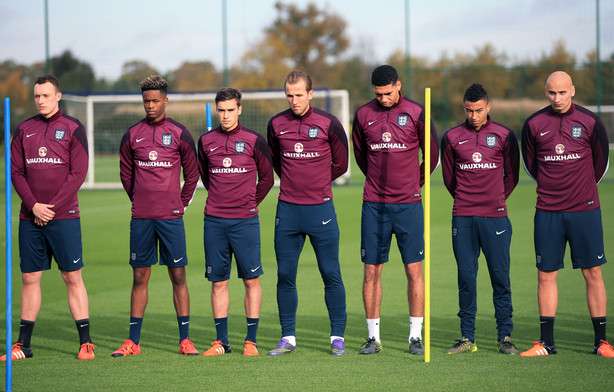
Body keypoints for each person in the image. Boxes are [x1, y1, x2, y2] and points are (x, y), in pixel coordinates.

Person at [1, 75, 95, 361]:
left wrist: (50, 208)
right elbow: (15, 172)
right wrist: (33, 206)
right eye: (37, 96)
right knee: (30, 278)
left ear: (58, 96)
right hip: (30, 219)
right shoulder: (25, 129)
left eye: (45, 95)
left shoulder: (73, 128)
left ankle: (86, 342)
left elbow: (77, 173)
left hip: (64, 217)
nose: (40, 100)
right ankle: (23, 345)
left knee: (72, 277)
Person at [519, 71, 613, 358]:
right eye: (551, 93)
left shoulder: (589, 122)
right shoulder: (534, 124)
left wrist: (579, 191)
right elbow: (532, 165)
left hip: (585, 210)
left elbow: (600, 165)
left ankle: (602, 342)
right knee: (546, 274)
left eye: (562, 92)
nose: (557, 98)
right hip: (548, 211)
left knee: (593, 272)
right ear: (545, 93)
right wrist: (554, 190)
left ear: (572, 90)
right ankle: (546, 343)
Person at [351, 64, 439, 355]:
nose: (384, 99)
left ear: (398, 85)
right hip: (374, 205)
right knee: (371, 271)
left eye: (388, 93)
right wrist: (377, 181)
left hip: (409, 205)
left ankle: (415, 336)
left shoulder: (416, 112)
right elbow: (361, 156)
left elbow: (433, 155)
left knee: (413, 270)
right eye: (378, 94)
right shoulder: (363, 114)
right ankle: (373, 338)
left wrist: (415, 181)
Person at [112, 75, 200, 357]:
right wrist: (137, 199)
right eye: (146, 101)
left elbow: (193, 173)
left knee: (178, 275)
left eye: (155, 101)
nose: (150, 106)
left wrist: (181, 203)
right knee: (140, 275)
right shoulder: (132, 134)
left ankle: (184, 339)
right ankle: (133, 341)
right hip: (142, 217)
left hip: (171, 217)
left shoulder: (179, 133)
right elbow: (126, 173)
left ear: (165, 100)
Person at [267, 70, 349, 356]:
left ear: (310, 94)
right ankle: (287, 338)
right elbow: (276, 161)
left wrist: (316, 183)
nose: (294, 100)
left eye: (299, 94)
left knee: (330, 272)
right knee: (286, 274)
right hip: (288, 210)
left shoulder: (329, 123)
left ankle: (337, 337)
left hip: (321, 209)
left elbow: (341, 163)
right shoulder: (276, 123)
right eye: (289, 95)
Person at [441, 83, 520, 354]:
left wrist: (494, 199)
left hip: (495, 218)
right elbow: (449, 179)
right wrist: (468, 200)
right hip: (463, 217)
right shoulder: (451, 137)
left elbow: (512, 176)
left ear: (489, 107)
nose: (473, 115)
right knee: (466, 277)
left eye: (478, 110)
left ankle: (505, 337)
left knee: (500, 277)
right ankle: (467, 337)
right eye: (468, 110)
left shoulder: (504, 136)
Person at [197, 88, 274, 357]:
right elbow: (206, 177)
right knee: (218, 282)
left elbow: (266, 178)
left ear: (239, 109)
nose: (226, 116)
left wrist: (252, 202)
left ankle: (250, 341)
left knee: (251, 280)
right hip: (215, 221)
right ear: (216, 110)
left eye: (231, 110)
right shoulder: (205, 141)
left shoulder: (254, 140)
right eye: (221, 110)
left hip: (245, 222)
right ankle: (221, 342)